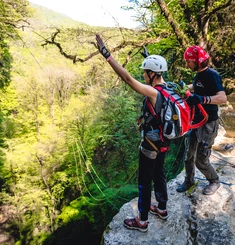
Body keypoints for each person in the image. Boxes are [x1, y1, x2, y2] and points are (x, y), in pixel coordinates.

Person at [95, 34, 170, 232]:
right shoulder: (168, 89)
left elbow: (127, 78)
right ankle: (162, 208)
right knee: (159, 174)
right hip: (164, 142)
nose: (143, 76)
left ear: (152, 74)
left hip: (150, 145)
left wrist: (107, 55)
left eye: (145, 72)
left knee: (144, 182)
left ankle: (142, 221)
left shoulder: (153, 93)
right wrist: (148, 56)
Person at [176, 46, 227, 195]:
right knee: (189, 156)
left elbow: (222, 98)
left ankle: (214, 181)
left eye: (188, 62)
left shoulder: (212, 75)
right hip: (195, 122)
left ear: (198, 61)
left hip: (208, 124)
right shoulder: (198, 74)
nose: (187, 65)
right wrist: (186, 88)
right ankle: (189, 180)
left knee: (201, 159)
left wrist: (202, 99)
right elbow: (198, 87)